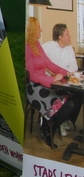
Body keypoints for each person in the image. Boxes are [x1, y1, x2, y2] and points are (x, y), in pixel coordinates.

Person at [26, 17, 80, 148]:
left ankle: (48, 127)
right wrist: (52, 80)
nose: (41, 29)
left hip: (44, 82)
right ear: (32, 30)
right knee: (65, 103)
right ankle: (48, 131)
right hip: (33, 86)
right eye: (39, 27)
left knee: (70, 103)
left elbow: (49, 64)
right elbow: (32, 74)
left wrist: (64, 72)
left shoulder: (37, 44)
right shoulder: (27, 46)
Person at [42, 23, 82, 135]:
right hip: (50, 82)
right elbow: (43, 65)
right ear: (60, 36)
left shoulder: (69, 49)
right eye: (67, 34)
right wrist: (56, 74)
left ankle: (66, 119)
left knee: (80, 96)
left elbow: (73, 67)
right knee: (70, 101)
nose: (70, 36)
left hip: (65, 81)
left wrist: (64, 73)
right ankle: (58, 121)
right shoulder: (47, 47)